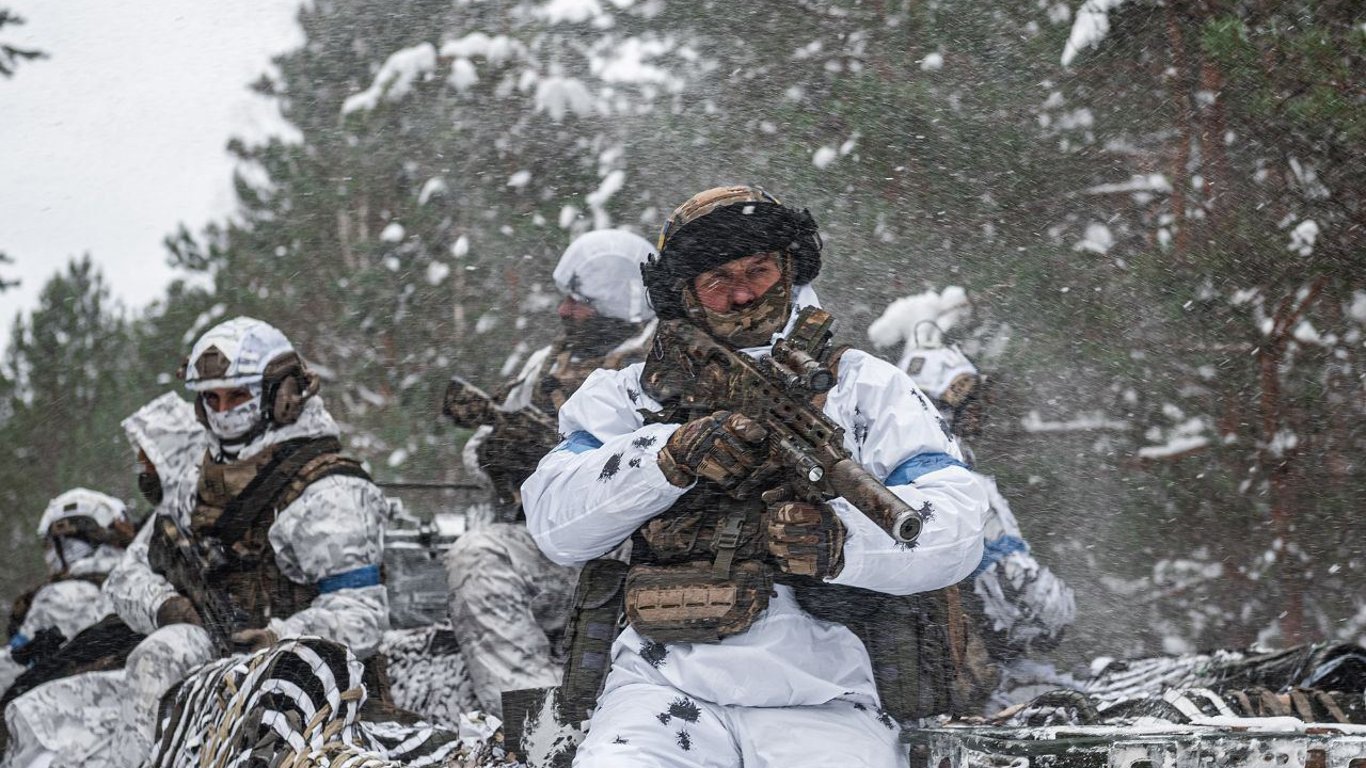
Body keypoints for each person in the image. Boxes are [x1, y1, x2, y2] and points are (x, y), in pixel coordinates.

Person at [521, 186, 988, 767]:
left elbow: (960, 522)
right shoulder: (628, 396)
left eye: (759, 271)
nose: (744, 293)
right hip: (660, 690)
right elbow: (553, 524)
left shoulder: (864, 388)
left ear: (790, 268)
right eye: (719, 280)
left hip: (826, 695)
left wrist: (843, 542)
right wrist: (667, 455)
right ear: (686, 294)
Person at [445, 229, 657, 717]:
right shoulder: (548, 363)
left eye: (579, 301)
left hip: (636, 553)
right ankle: (535, 722)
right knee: (478, 556)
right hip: (555, 548)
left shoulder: (663, 362)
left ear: (616, 302)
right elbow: (480, 444)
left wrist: (570, 458)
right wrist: (501, 457)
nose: (564, 311)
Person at [110, 317, 389, 658]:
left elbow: (361, 615)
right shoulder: (196, 482)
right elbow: (127, 574)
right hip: (213, 667)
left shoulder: (329, 490)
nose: (223, 411)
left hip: (314, 684)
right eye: (211, 398)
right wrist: (167, 606)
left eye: (237, 396)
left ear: (282, 395)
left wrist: (280, 640)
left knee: (161, 657)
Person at [898, 341, 1077, 712]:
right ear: (940, 409)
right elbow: (1036, 604)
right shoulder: (962, 487)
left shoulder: (882, 470)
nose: (975, 418)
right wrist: (1057, 610)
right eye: (966, 405)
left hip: (908, 677)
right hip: (971, 682)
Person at [0, 489, 134, 700]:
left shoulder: (61, 597)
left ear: (66, 541)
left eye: (49, 545)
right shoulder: (136, 583)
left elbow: (15, 665)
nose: (48, 556)